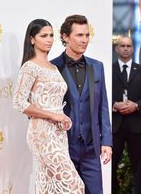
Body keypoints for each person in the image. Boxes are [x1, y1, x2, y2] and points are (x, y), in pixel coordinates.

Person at [13, 19, 84, 193]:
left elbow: (54, 103)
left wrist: (61, 117)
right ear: (32, 39)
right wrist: (53, 116)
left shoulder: (53, 67)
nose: (49, 39)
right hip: (42, 134)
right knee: (75, 185)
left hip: (59, 134)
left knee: (48, 187)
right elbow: (19, 102)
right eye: (43, 35)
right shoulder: (30, 67)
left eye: (51, 35)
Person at [51, 14, 112, 194]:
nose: (84, 40)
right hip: (64, 147)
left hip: (91, 147)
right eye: (79, 35)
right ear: (65, 37)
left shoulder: (97, 66)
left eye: (87, 35)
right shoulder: (52, 68)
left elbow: (103, 106)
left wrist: (106, 141)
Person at [112, 35, 141, 194]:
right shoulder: (108, 70)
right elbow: (101, 95)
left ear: (132, 48)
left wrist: (136, 105)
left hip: (136, 125)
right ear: (117, 48)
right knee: (110, 164)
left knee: (138, 165)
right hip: (114, 126)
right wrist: (113, 105)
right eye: (122, 46)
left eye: (128, 46)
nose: (125, 48)